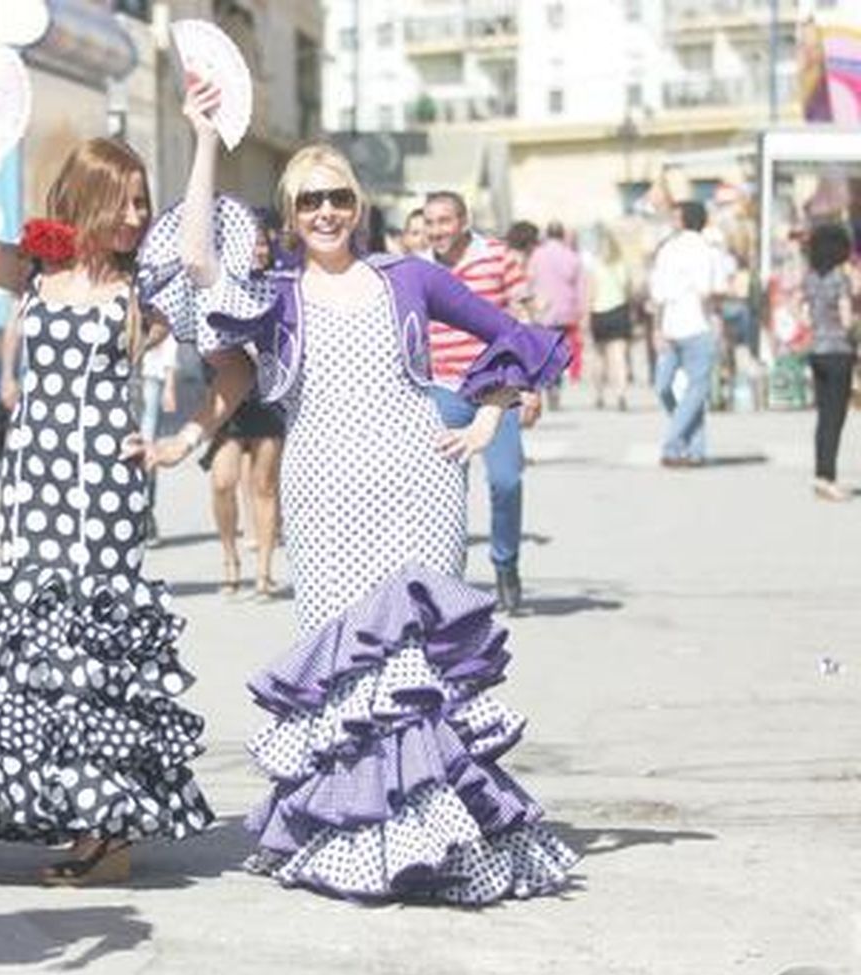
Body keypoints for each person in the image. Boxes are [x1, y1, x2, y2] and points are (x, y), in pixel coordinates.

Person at [149, 85, 577, 905]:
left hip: (418, 486)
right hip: (325, 496)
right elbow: (200, 260)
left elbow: (512, 334)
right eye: (309, 199)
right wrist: (203, 138)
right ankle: (360, 840)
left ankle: (439, 841)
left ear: (360, 205)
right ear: (289, 212)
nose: (326, 211)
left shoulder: (409, 277)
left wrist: (488, 418)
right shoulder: (273, 295)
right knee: (347, 672)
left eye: (339, 196)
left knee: (416, 668)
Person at [0, 83, 216, 886]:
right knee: (43, 647)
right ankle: (74, 810)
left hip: (105, 495)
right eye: (125, 201)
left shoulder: (141, 293)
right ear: (85, 200)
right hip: (32, 489)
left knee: (95, 654)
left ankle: (107, 829)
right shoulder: (33, 274)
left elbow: (204, 280)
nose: (137, 216)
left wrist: (206, 139)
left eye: (144, 203)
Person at [423, 191, 541, 614]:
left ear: (464, 220)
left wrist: (530, 386)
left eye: (445, 221)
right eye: (431, 222)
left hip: (499, 389)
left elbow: (526, 318)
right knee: (441, 491)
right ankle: (445, 581)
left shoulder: (498, 256)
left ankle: (506, 565)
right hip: (442, 389)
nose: (437, 231)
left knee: (507, 481)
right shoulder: (417, 265)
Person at [201, 221, 283, 598]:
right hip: (228, 399)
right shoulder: (218, 290)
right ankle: (230, 557)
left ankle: (264, 572)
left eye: (263, 244)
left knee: (264, 486)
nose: (258, 251)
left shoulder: (281, 290)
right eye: (251, 245)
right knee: (222, 482)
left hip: (267, 400)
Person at [649, 200, 725, 467]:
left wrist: (656, 328)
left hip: (676, 324)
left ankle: (692, 449)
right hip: (696, 325)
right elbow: (710, 290)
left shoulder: (672, 249)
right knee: (694, 390)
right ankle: (682, 443)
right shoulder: (702, 249)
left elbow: (656, 294)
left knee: (667, 387)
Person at [800, 221, 856, 501]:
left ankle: (821, 474)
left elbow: (806, 315)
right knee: (836, 418)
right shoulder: (839, 278)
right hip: (838, 351)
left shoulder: (810, 277)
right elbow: (846, 321)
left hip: (817, 349)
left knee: (823, 418)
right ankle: (828, 478)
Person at [526, 221, 585, 395]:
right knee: (560, 348)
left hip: (543, 310)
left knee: (546, 349)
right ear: (562, 235)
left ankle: (551, 383)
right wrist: (581, 311)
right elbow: (580, 287)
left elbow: (529, 280)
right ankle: (557, 383)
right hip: (566, 310)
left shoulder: (537, 255)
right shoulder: (572, 256)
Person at [138, 330, 180, 545]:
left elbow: (168, 337)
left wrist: (170, 385)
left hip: (151, 378)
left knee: (146, 449)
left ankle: (146, 512)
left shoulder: (149, 299)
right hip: (115, 379)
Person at [586, 224, 634, 410]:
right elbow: (629, 291)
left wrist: (585, 317)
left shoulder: (595, 266)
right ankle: (621, 393)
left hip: (599, 313)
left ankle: (599, 394)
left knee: (599, 357)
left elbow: (591, 293)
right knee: (619, 357)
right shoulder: (623, 265)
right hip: (619, 312)